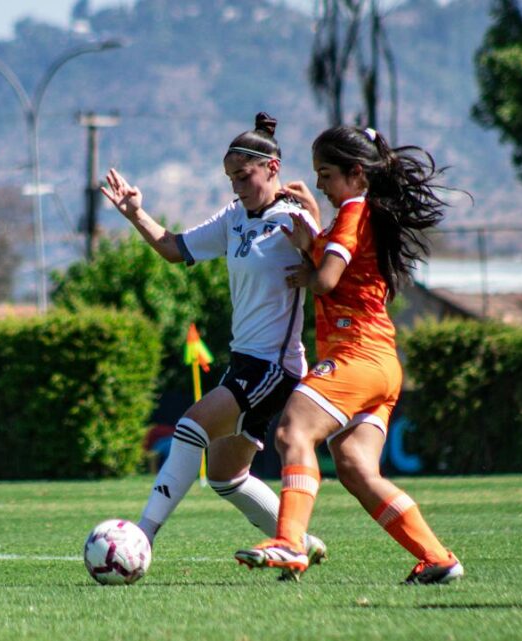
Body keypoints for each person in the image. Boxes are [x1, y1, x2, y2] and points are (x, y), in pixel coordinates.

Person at [234, 125, 464, 584]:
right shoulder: (361, 212)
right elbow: (337, 266)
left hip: (355, 353)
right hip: (381, 361)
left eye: (325, 173)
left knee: (293, 431)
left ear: (357, 174)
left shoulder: (353, 211)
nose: (319, 183)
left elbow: (327, 281)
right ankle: (437, 557)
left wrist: (307, 262)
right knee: (357, 468)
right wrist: (313, 243)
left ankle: (289, 541)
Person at [101, 113, 326, 578]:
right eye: (230, 178)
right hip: (244, 364)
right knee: (226, 477)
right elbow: (174, 248)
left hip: (274, 367)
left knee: (191, 424)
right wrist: (135, 212)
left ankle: (142, 536)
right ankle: (299, 543)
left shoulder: (292, 217)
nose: (237, 187)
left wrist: (317, 231)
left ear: (272, 167)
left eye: (244, 176)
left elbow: (329, 271)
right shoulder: (234, 218)